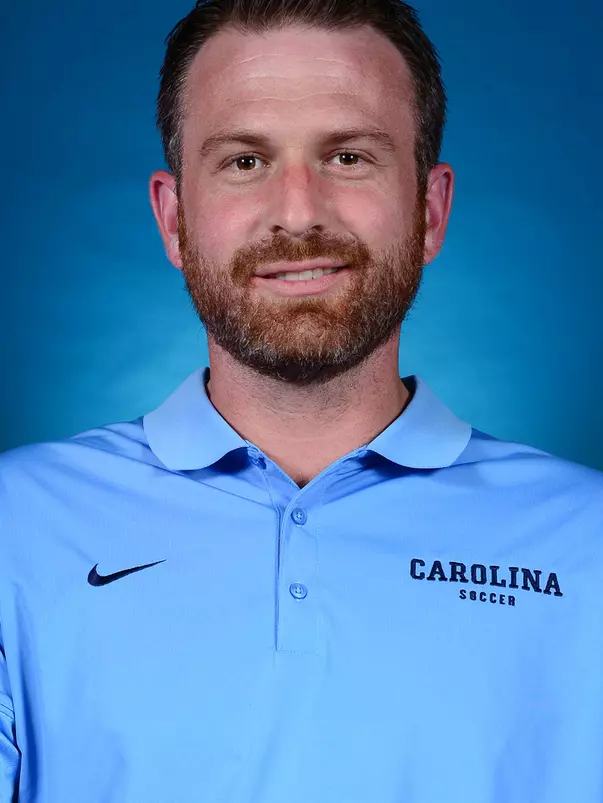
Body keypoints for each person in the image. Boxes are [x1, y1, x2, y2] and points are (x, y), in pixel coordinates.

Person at [0, 0, 601, 800]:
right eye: (244, 161)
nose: (298, 211)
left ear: (429, 210)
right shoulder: (16, 527)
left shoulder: (587, 542)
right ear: (174, 220)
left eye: (348, 157)